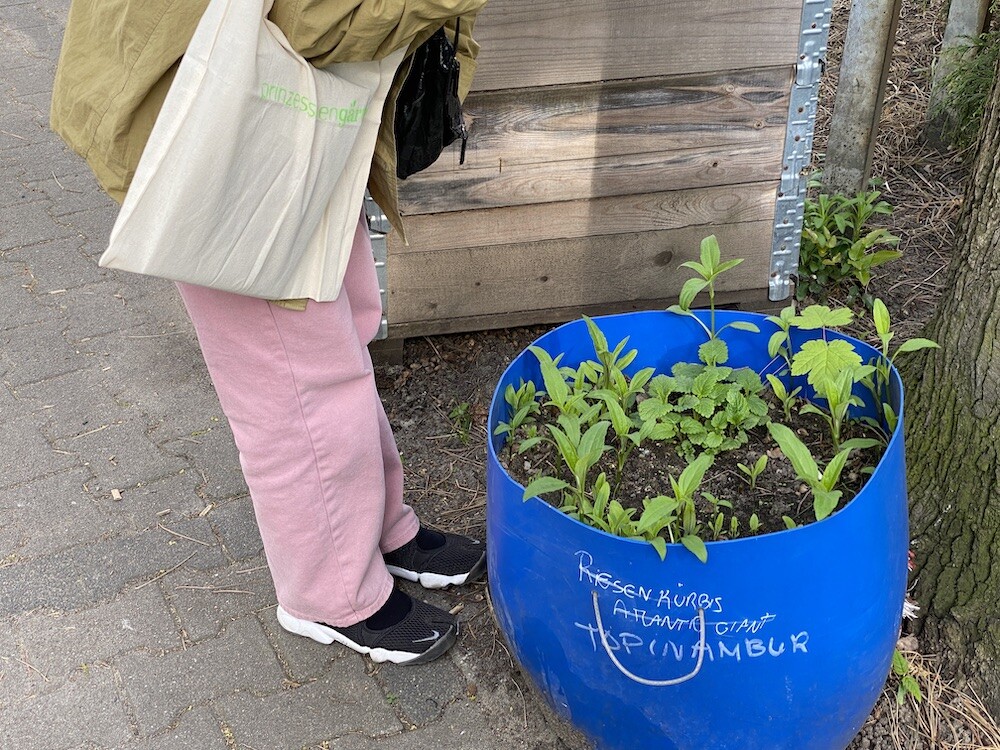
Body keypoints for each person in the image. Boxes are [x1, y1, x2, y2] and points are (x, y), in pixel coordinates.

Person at [50, 0, 489, 666]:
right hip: (222, 132)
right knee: (290, 383)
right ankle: (329, 594)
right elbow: (315, 20)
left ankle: (377, 527)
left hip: (287, 114)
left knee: (340, 336)